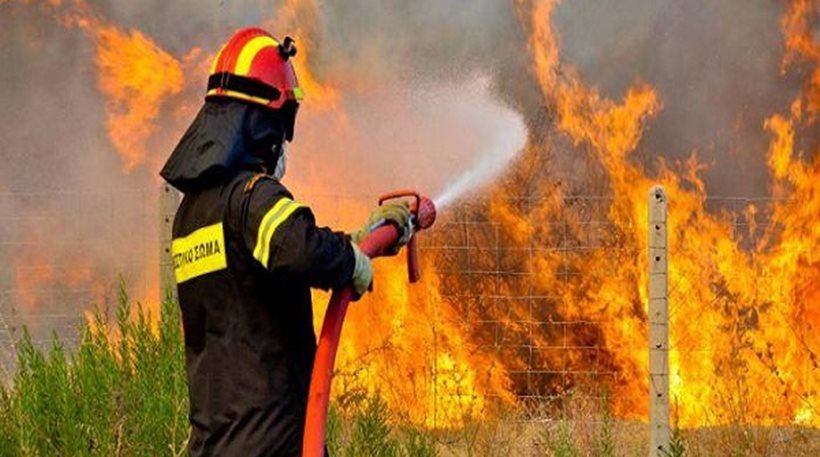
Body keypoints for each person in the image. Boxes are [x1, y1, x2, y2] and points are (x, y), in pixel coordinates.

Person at [159, 27, 410, 457]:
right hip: (272, 440)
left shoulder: (192, 213)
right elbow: (301, 249)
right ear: (264, 123)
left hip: (216, 443)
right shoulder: (252, 196)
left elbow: (270, 258)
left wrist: (357, 242)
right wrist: (353, 261)